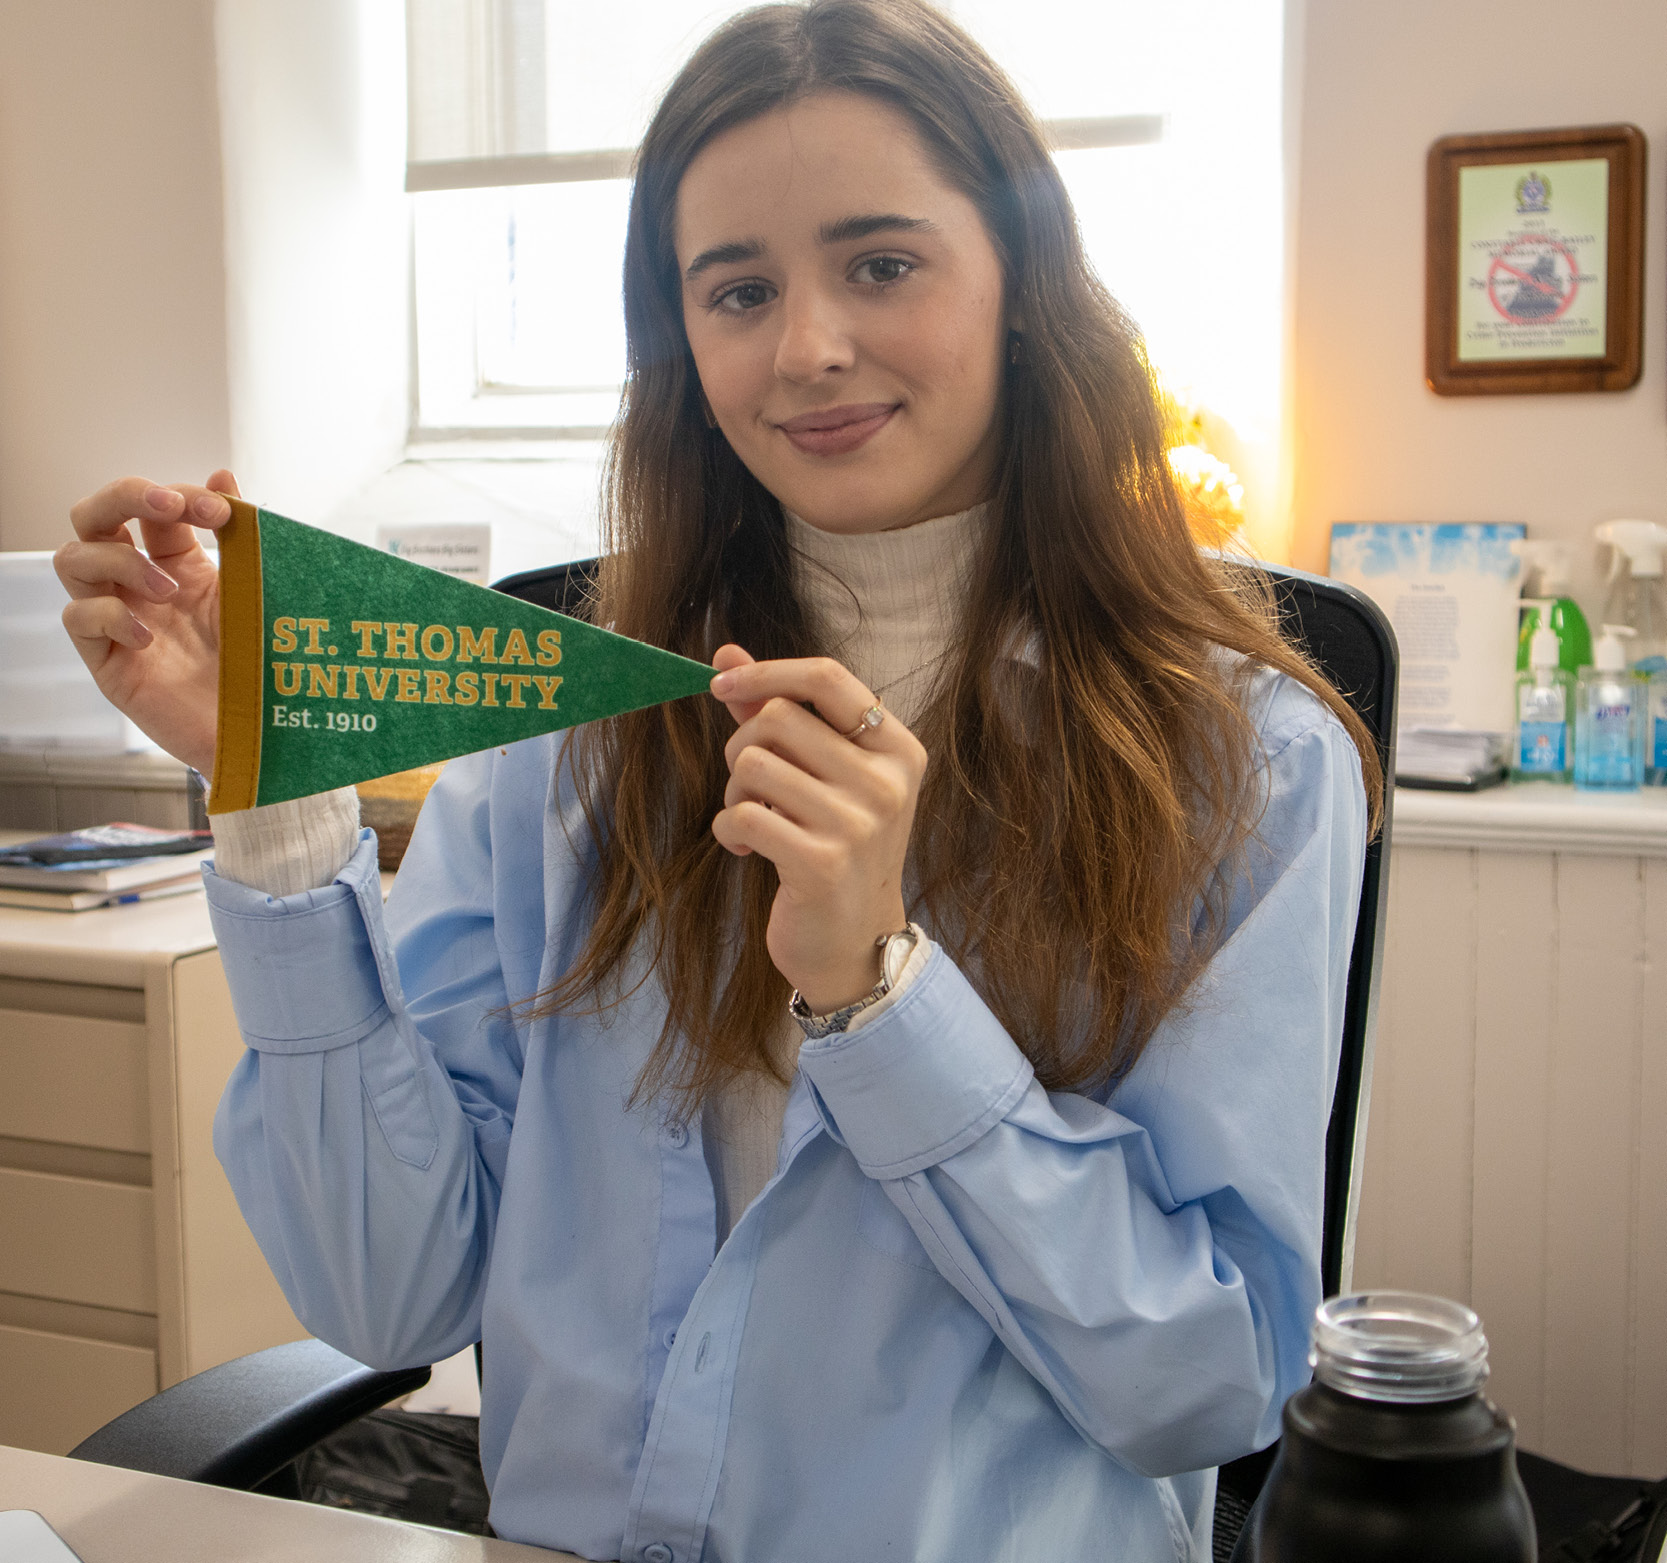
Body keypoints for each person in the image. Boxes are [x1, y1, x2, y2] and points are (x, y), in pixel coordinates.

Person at [55, 1, 1382, 1557]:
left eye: (882, 264)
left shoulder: (1246, 759)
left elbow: (1208, 1383)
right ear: (678, 343)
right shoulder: (568, 740)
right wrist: (273, 799)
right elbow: (389, 1290)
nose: (808, 347)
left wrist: (881, 997)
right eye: (738, 289)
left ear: (1022, 285)